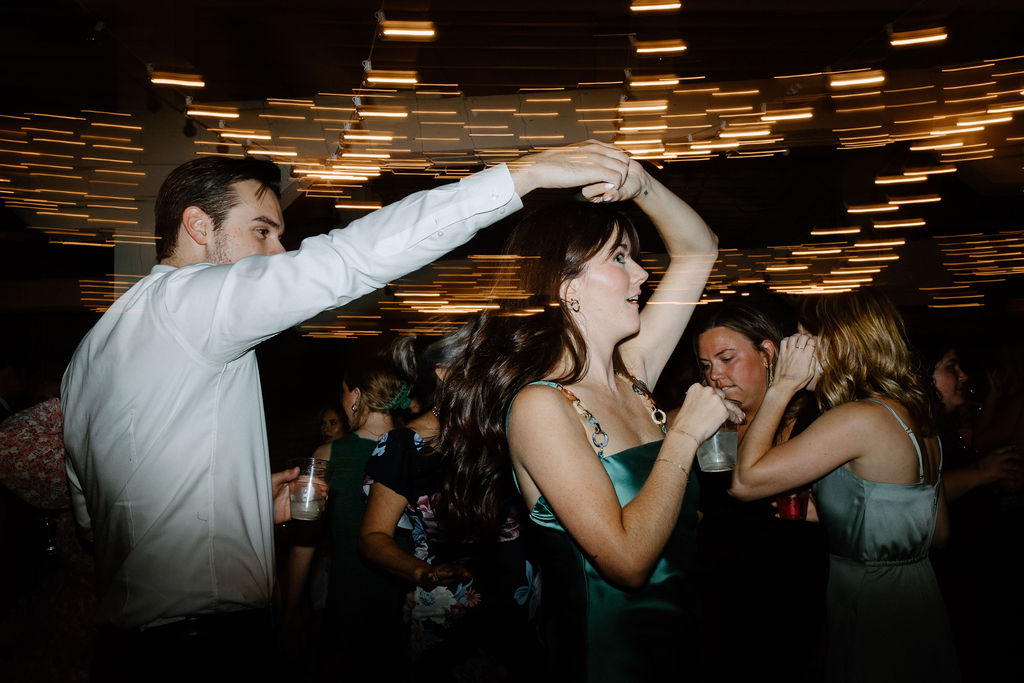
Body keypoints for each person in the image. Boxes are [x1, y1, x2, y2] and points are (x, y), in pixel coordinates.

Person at [59, 141, 635, 678]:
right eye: (261, 230)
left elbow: (101, 513)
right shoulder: (190, 301)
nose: (276, 251)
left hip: (124, 647)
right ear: (197, 225)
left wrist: (245, 506)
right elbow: (349, 260)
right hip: (202, 647)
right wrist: (525, 175)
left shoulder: (90, 353)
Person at [437, 159, 738, 682]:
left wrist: (641, 184)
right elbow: (626, 560)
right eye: (620, 257)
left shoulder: (635, 373)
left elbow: (699, 249)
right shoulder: (540, 406)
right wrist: (685, 433)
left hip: (686, 641)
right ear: (565, 283)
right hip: (611, 660)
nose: (643, 273)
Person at [730, 290, 959, 683]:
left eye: (804, 338)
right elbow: (937, 533)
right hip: (917, 595)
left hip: (872, 601)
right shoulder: (917, 417)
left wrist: (781, 386)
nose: (795, 350)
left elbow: (746, 481)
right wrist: (846, 510)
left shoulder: (860, 417)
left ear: (840, 342)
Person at [359, 328, 538, 682]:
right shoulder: (403, 447)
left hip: (520, 608)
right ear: (444, 372)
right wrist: (420, 572)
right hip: (448, 612)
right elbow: (372, 536)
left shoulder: (513, 428)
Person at [692, 301, 827, 682]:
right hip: (718, 605)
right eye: (706, 365)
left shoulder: (813, 419)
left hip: (793, 604)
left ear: (767, 353)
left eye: (726, 358)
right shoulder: (710, 425)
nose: (714, 375)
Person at [919, 340, 1023, 682]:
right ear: (923, 375)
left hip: (973, 565)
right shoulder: (920, 428)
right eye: (951, 367)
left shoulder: (941, 426)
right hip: (955, 574)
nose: (963, 375)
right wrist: (982, 473)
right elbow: (918, 494)